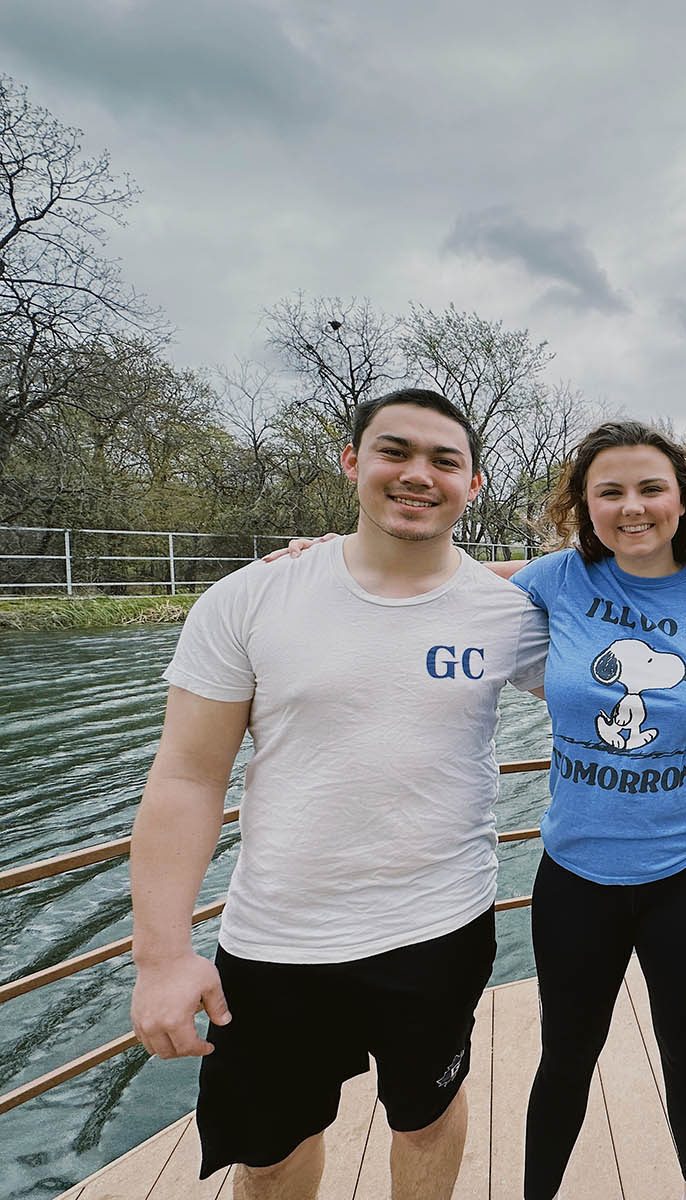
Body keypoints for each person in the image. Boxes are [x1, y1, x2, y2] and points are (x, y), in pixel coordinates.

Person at [129, 388, 549, 1200]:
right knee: (273, 1148)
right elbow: (186, 775)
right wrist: (161, 955)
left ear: (475, 483)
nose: (417, 474)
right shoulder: (252, 598)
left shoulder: (509, 614)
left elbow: (627, 645)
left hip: (440, 925)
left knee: (425, 1115)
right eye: (394, 452)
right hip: (278, 937)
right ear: (353, 460)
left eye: (444, 460)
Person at [505, 421, 686, 1200]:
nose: (632, 507)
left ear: (683, 502)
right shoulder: (553, 579)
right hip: (576, 869)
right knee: (566, 1053)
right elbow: (435, 586)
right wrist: (324, 557)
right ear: (582, 505)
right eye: (610, 491)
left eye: (651, 488)